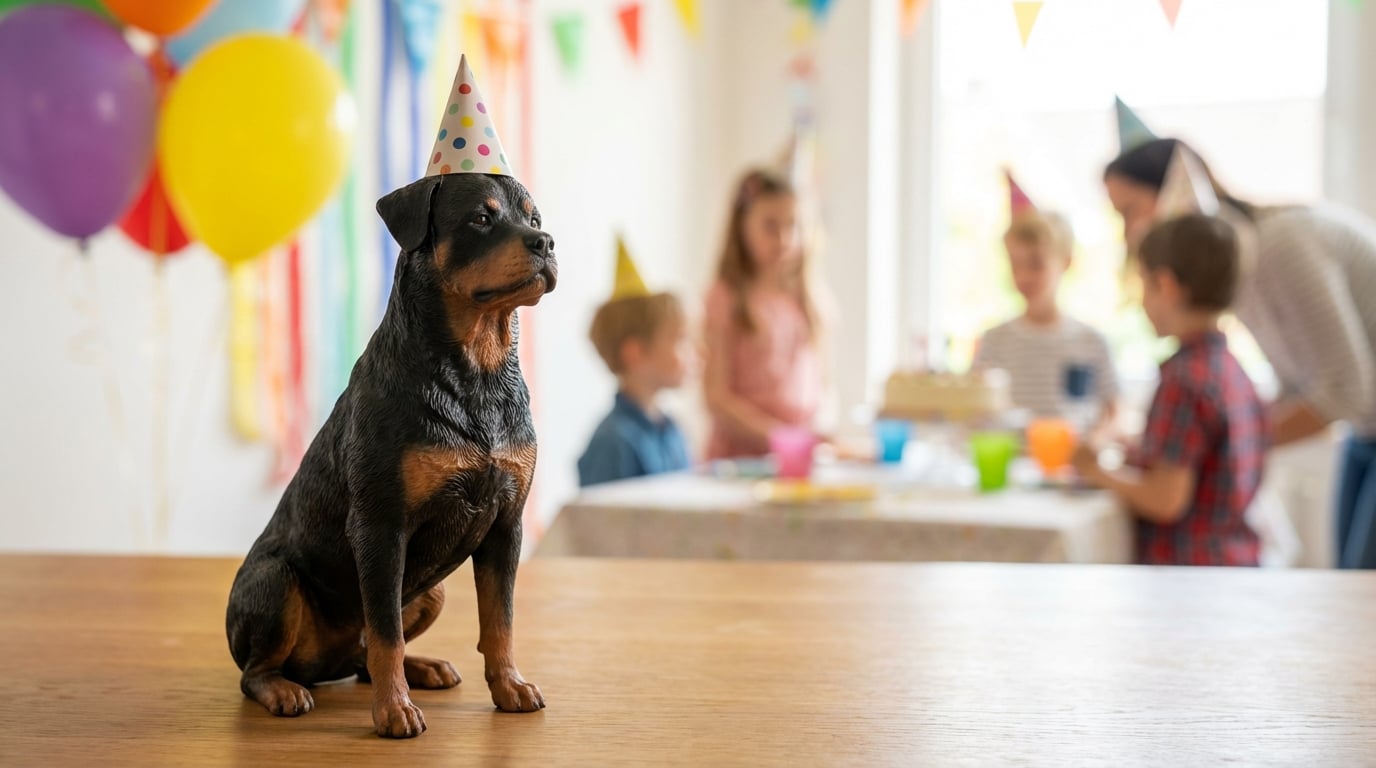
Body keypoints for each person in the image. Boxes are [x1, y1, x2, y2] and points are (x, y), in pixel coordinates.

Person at [1104, 136, 1376, 569]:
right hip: (1366, 431)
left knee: (1363, 594)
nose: (1128, 231)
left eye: (1128, 211)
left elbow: (1347, 388)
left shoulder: (1281, 246)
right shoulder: (1238, 282)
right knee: (1350, 579)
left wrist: (1209, 448)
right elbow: (1301, 387)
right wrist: (1179, 445)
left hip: (1365, 415)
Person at [1075, 214, 1265, 566]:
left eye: (1144, 285)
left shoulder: (1184, 380)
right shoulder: (1231, 370)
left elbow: (1166, 500)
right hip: (1234, 563)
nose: (1141, 302)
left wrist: (1093, 469)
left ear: (1167, 286)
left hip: (1189, 576)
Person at [973, 172, 1118, 430]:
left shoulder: (1092, 342)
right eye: (1015, 265)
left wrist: (1094, 443)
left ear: (1066, 262)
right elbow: (976, 408)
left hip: (1069, 465)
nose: (1024, 276)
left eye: (1036, 264)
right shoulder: (994, 341)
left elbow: (1112, 410)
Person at [702, 168, 827, 460]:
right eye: (770, 226)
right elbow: (716, 397)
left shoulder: (806, 300)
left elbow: (820, 383)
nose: (784, 239)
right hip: (738, 461)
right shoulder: (725, 297)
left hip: (794, 459)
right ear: (742, 226)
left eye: (793, 226)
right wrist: (778, 437)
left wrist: (815, 435)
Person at [577, 238, 691, 486]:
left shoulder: (673, 432)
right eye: (679, 340)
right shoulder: (613, 443)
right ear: (635, 353)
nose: (693, 353)